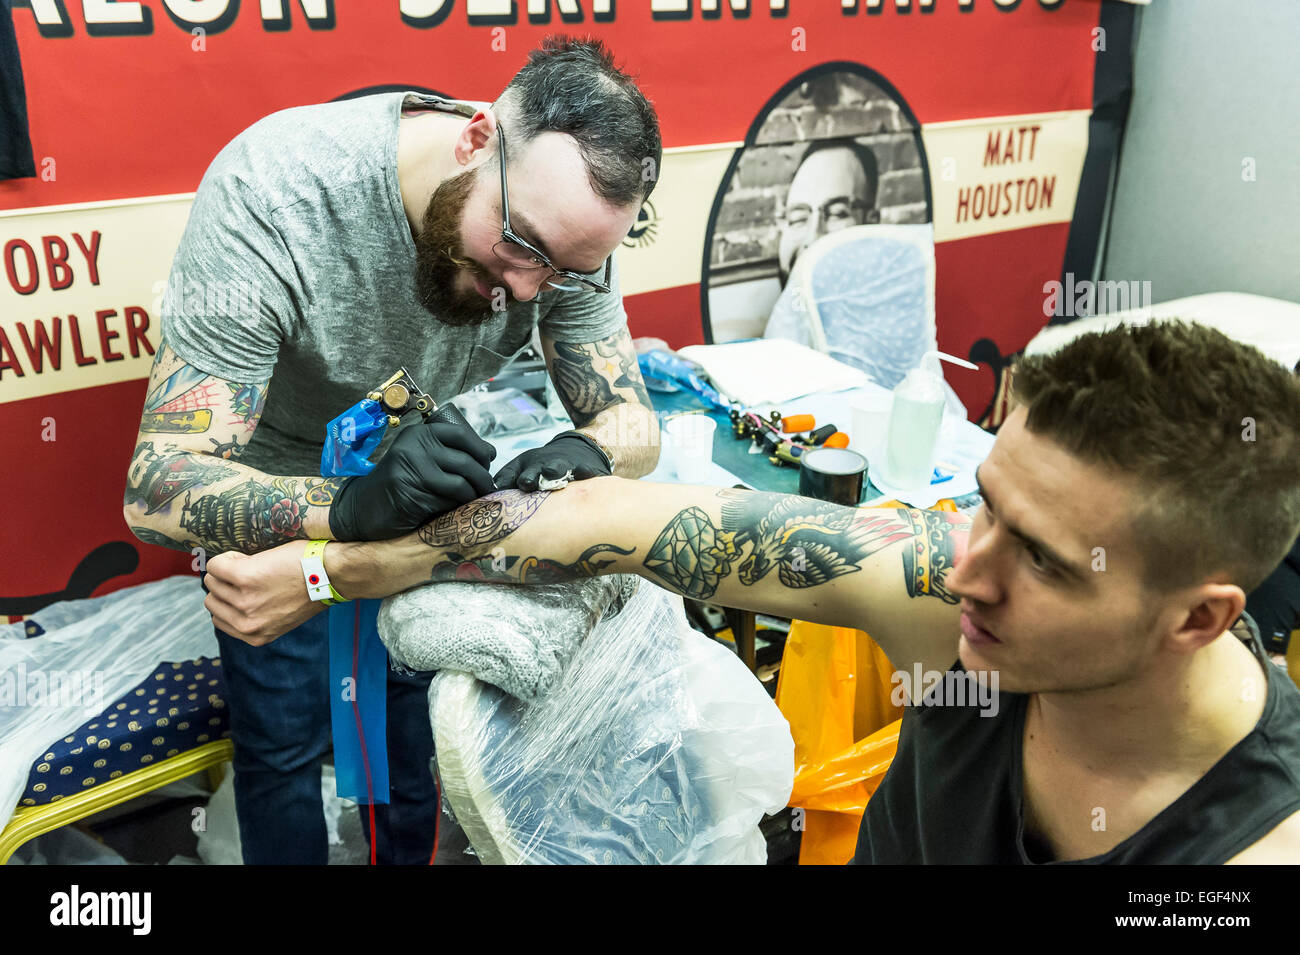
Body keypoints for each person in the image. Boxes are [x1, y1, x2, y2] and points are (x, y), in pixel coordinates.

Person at [206, 320, 1300, 864]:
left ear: (1198, 617)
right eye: (982, 505)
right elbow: (613, 524)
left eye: (1046, 561)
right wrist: (327, 568)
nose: (967, 566)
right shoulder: (949, 601)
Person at [123, 36, 662, 864]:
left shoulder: (559, 230)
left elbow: (633, 425)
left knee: (412, 736)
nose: (523, 290)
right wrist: (344, 507)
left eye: (559, 273)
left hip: (427, 496)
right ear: (476, 139)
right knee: (283, 743)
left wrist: (586, 448)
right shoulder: (276, 192)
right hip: (271, 494)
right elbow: (158, 487)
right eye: (517, 246)